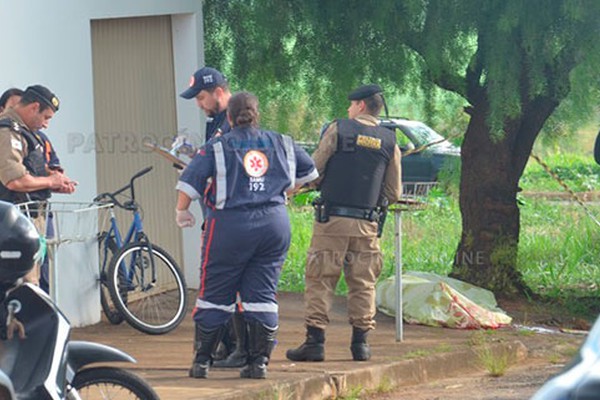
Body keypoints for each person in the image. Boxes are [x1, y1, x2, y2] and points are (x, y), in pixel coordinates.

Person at [175, 91, 318, 379]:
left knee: (214, 291)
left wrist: (182, 212)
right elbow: (311, 175)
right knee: (262, 294)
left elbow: (188, 183)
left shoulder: (217, 146)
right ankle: (258, 364)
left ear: (228, 117)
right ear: (257, 114)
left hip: (230, 226)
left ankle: (202, 362)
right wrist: (280, 191)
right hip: (274, 226)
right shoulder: (283, 143)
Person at [286, 84, 402, 363]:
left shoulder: (339, 129)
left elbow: (314, 171)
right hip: (367, 225)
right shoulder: (389, 141)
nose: (348, 110)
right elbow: (393, 193)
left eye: (351, 105)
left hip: (332, 222)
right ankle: (360, 345)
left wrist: (303, 186)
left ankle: (315, 343)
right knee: (363, 283)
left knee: (321, 279)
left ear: (360, 105)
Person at [180, 66, 244, 368]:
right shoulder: (216, 121)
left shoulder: (234, 120)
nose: (198, 103)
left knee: (227, 282)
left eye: (202, 97)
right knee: (220, 280)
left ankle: (238, 349)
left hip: (232, 215)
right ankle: (226, 345)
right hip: (217, 213)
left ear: (219, 92)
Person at [0, 85, 76, 285]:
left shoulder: (27, 134)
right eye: (46, 117)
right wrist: (51, 181)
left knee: (36, 282)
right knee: (23, 288)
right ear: (34, 107)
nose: (46, 125)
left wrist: (55, 182)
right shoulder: (8, 131)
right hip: (13, 227)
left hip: (29, 220)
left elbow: (31, 171)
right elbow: (14, 180)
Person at [180, 66, 232, 142]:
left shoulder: (240, 120)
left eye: (201, 98)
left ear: (218, 93)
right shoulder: (216, 116)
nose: (199, 105)